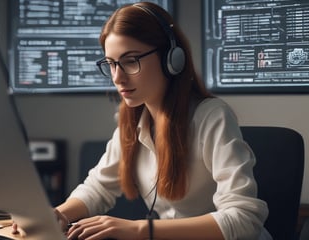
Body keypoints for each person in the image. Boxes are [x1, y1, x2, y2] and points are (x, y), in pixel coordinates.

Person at [14, 2, 272, 239]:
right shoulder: (132, 121)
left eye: (130, 61)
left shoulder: (211, 116)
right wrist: (58, 214)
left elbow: (244, 218)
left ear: (172, 58)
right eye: (111, 64)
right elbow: (97, 188)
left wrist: (139, 229)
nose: (117, 77)